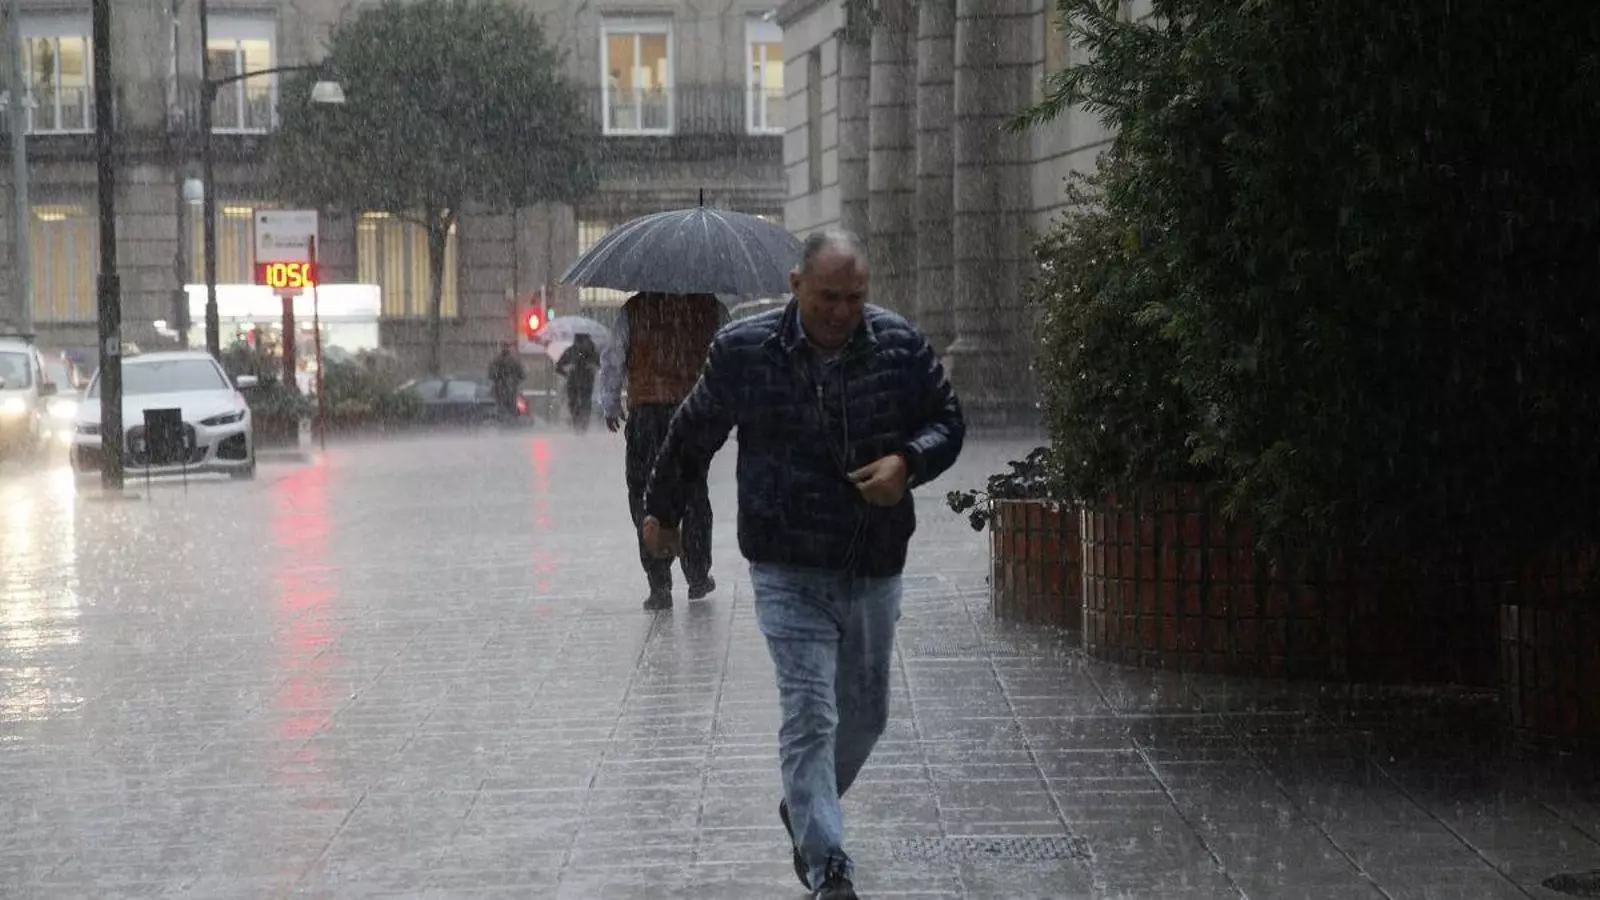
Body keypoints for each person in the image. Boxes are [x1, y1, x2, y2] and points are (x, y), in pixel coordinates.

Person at [640, 230, 964, 900]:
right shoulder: (746, 350)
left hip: (873, 559)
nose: (842, 312)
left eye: (854, 298)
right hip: (787, 562)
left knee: (865, 715)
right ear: (796, 286)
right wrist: (663, 512)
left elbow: (947, 420)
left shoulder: (898, 344)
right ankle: (828, 864)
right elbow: (693, 433)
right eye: (827, 298)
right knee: (811, 712)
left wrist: (908, 462)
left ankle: (804, 805)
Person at [598, 292, 730, 610]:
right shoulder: (710, 308)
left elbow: (614, 358)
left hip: (647, 413)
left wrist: (610, 403)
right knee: (693, 493)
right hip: (691, 409)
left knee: (646, 494)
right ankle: (697, 573)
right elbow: (729, 355)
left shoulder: (635, 310)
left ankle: (659, 583)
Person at [555, 333, 601, 433]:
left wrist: (594, 367)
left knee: (583, 403)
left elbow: (600, 365)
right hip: (576, 382)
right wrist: (567, 371)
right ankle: (579, 424)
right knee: (576, 403)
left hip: (584, 382)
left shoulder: (590, 352)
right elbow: (558, 367)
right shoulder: (571, 351)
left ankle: (582, 425)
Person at [486, 343, 525, 421]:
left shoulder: (496, 361)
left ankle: (504, 421)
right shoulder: (514, 362)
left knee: (502, 410)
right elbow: (522, 375)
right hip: (510, 390)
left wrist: (498, 380)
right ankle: (510, 421)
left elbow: (491, 375)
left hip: (501, 390)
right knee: (511, 409)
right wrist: (515, 381)